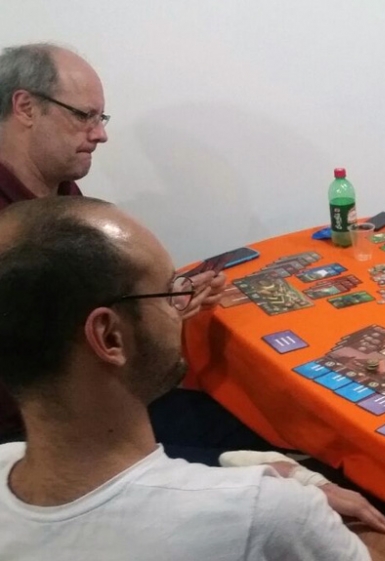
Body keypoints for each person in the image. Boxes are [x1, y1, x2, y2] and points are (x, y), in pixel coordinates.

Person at [0, 196, 385, 560]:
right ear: (110, 337)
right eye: (168, 291)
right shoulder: (269, 512)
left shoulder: (6, 458)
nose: (181, 304)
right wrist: (312, 489)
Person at [0, 43, 234, 454]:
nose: (100, 134)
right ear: (26, 107)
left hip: (107, 399)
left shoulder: (63, 193)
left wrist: (165, 300)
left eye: (100, 118)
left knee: (241, 420)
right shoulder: (13, 228)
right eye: (83, 116)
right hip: (41, 441)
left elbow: (82, 306)